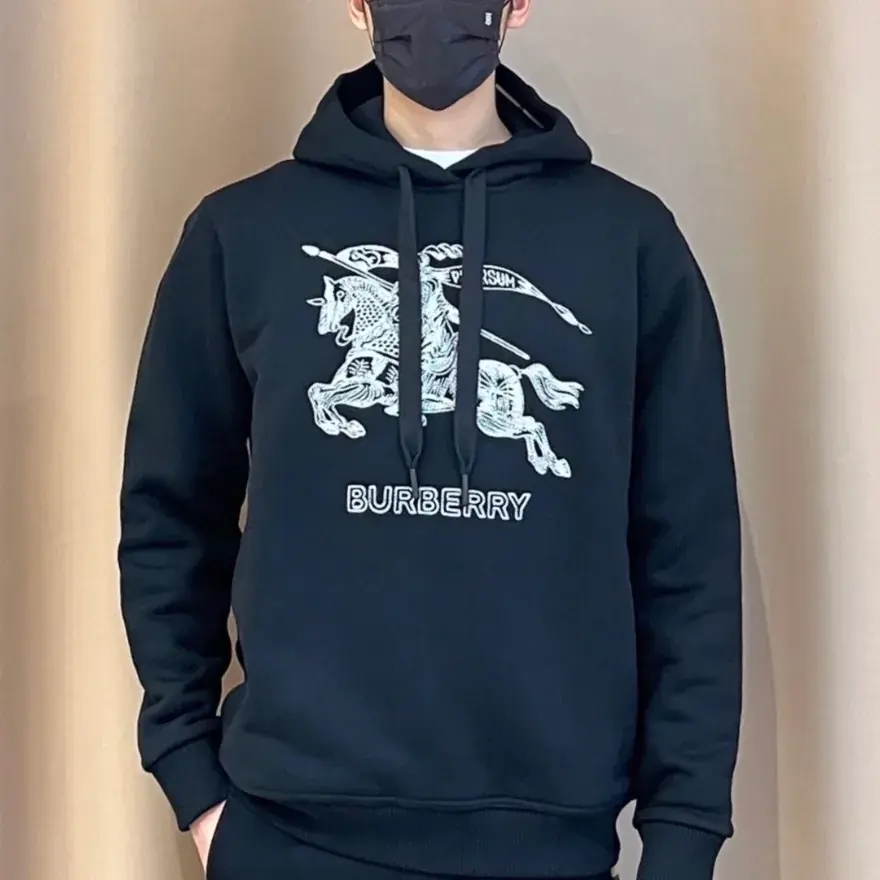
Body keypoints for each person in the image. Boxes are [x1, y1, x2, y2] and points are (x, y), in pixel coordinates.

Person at [118, 1, 742, 878]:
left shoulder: (629, 242)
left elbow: (690, 554)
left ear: (517, 5)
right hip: (289, 836)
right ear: (356, 6)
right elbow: (171, 515)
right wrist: (192, 778)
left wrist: (682, 835)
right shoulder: (243, 233)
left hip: (549, 846)